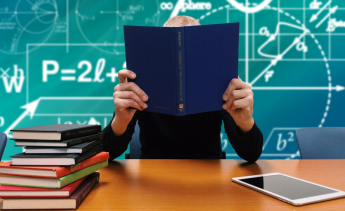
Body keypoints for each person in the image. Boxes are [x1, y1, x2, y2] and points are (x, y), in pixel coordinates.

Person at [102, 16, 263, 161]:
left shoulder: (220, 82)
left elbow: (251, 154)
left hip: (208, 179)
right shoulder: (139, 82)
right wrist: (120, 122)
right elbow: (106, 154)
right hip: (152, 179)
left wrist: (245, 122)